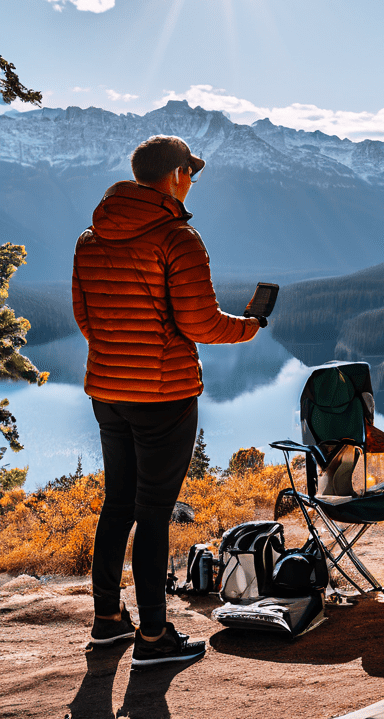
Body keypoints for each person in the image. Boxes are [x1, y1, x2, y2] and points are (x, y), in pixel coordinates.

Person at [72, 135, 264, 668]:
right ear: (177, 175)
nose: (192, 182)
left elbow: (86, 319)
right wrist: (249, 327)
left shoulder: (90, 239)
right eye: (190, 173)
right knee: (153, 513)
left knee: (118, 504)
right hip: (164, 394)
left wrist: (119, 355)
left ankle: (108, 621)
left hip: (107, 391)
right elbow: (200, 322)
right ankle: (154, 636)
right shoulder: (178, 238)